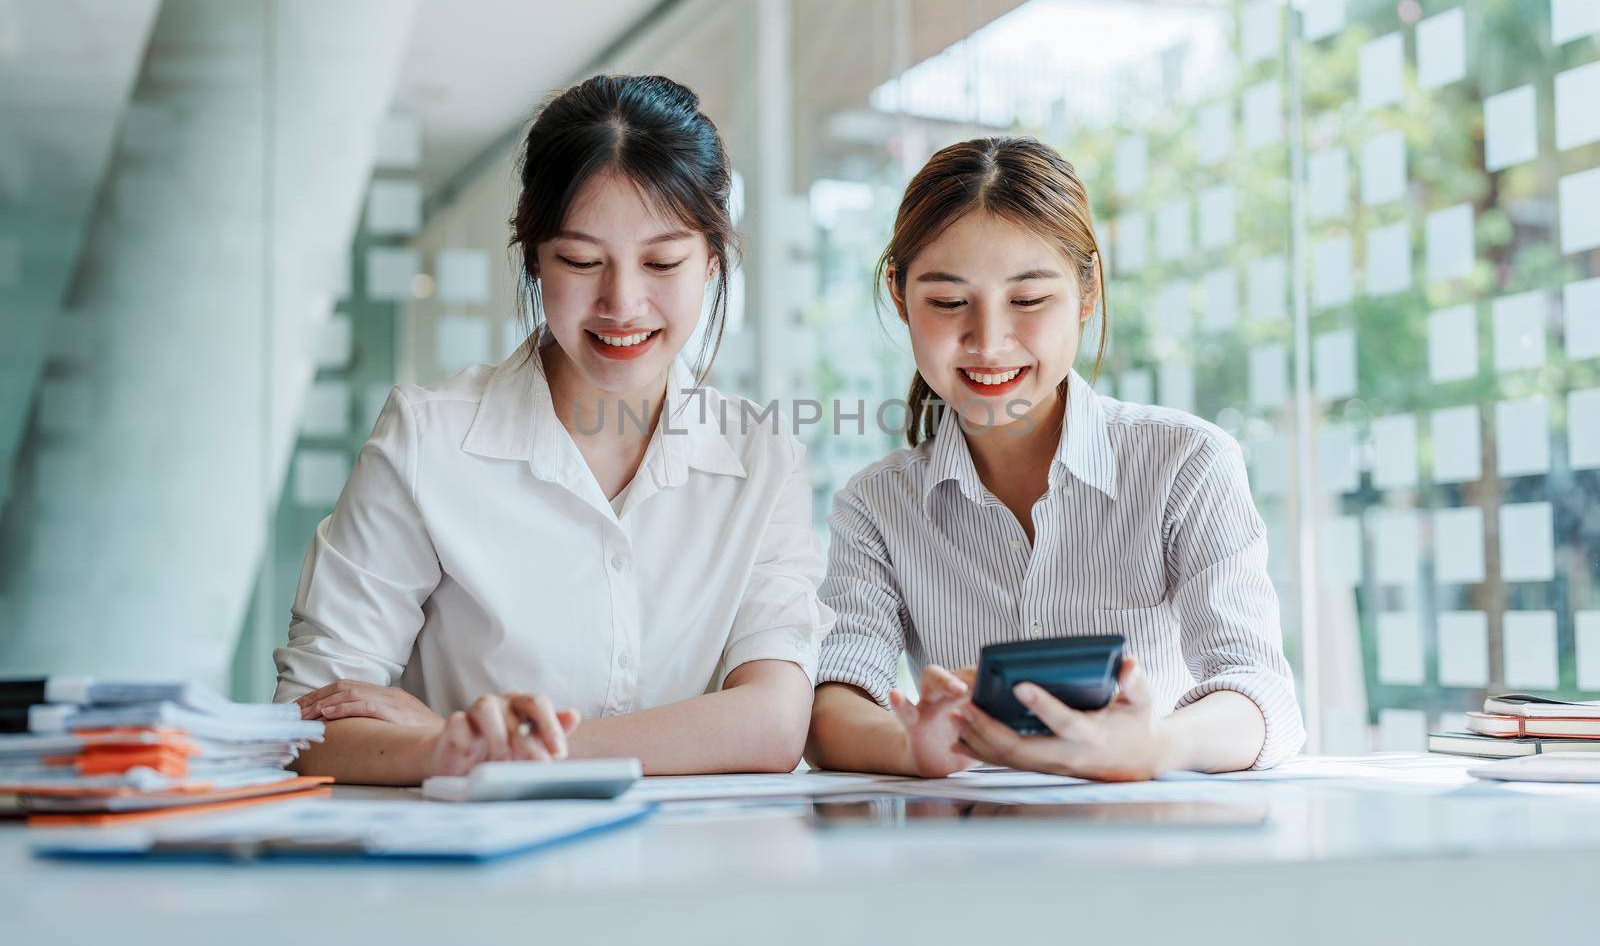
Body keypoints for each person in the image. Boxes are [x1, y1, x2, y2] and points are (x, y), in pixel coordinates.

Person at [275, 74, 833, 784]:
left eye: (662, 262)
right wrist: (444, 749)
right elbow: (311, 717)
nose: (622, 303)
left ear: (712, 264)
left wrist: (478, 745)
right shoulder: (427, 440)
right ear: (535, 257)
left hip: (695, 877)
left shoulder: (763, 461)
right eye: (580, 260)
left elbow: (773, 723)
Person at [805, 136, 1305, 781]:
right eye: (949, 302)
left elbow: (1258, 691)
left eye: (1029, 300)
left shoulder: (1186, 462)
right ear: (900, 296)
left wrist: (1154, 747)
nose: (988, 341)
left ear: (1087, 291)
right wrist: (913, 745)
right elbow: (836, 702)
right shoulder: (878, 504)